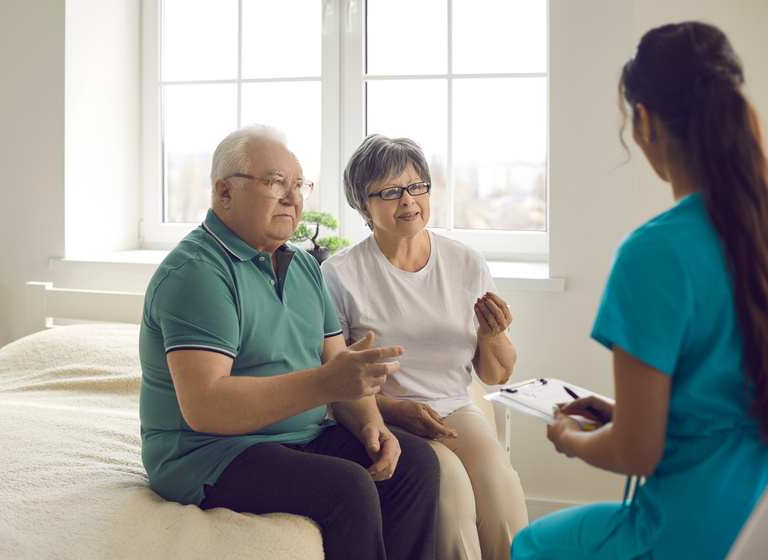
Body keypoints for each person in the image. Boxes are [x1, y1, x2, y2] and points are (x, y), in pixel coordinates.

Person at [511, 21, 768, 560]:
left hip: (692, 531)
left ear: (645, 120)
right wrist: (618, 410)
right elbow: (722, 403)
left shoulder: (655, 253)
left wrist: (570, 439)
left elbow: (636, 451)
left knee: (533, 543)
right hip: (756, 516)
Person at [138, 124, 440, 560]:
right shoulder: (197, 273)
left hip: (299, 434)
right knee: (349, 487)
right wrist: (325, 384)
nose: (292, 197)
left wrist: (371, 424)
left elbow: (340, 366)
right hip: (209, 453)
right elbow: (205, 406)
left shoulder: (303, 266)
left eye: (298, 185)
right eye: (275, 182)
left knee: (415, 464)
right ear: (224, 192)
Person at [320, 133, 529, 560]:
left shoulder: (466, 262)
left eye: (417, 186)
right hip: (387, 413)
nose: (409, 200)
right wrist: (396, 411)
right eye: (392, 191)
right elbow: (335, 381)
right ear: (364, 206)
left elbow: (496, 374)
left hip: (454, 406)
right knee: (450, 492)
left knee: (499, 485)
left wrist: (492, 335)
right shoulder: (339, 274)